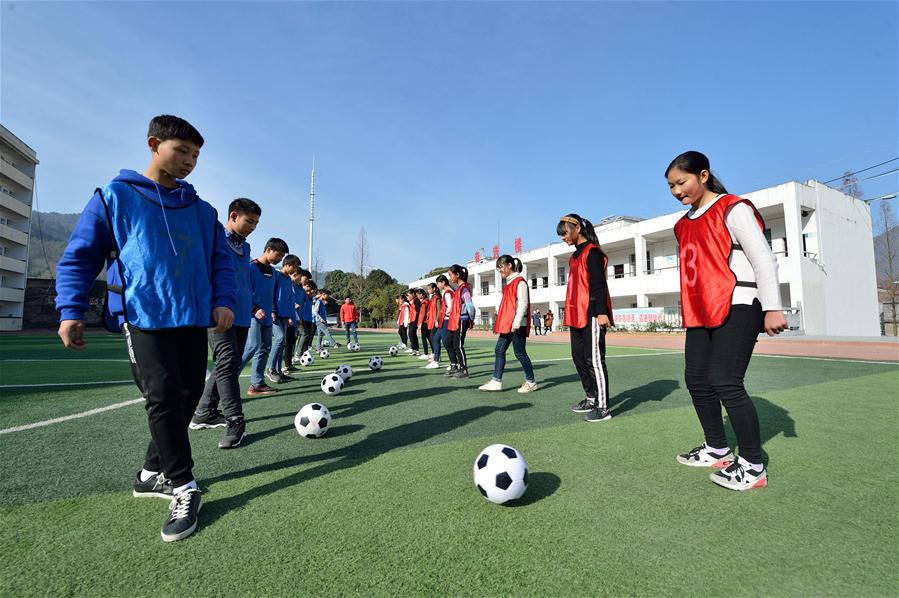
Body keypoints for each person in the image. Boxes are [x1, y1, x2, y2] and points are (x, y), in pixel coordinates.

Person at [55, 115, 236, 542]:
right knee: (163, 396)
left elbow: (220, 262)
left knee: (188, 396)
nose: (190, 161)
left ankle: (149, 473)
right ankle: (184, 485)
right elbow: (82, 255)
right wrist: (70, 309)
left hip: (192, 317)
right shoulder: (116, 195)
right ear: (154, 144)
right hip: (143, 316)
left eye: (196, 155)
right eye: (181, 151)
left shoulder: (202, 210)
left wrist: (223, 301)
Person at [666, 150, 786, 491]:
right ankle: (717, 447)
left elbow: (763, 258)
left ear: (703, 175)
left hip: (740, 304)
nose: (677, 191)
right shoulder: (681, 225)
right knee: (696, 379)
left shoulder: (734, 208)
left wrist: (772, 307)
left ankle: (752, 466)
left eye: (681, 182)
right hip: (700, 311)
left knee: (725, 380)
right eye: (671, 186)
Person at [190, 197, 261, 451]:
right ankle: (236, 421)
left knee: (227, 364)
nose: (252, 227)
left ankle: (204, 413)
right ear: (233, 216)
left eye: (256, 223)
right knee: (228, 363)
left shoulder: (247, 247)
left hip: (242, 315)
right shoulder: (214, 236)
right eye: (248, 221)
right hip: (219, 313)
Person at [558, 213, 615, 423]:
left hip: (592, 313)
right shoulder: (574, 256)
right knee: (579, 358)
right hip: (576, 314)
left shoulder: (593, 253)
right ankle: (591, 397)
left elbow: (599, 285)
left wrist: (602, 313)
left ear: (577, 229)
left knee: (595, 361)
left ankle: (603, 407)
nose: (563, 237)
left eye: (564, 233)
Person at [479, 255, 538, 393]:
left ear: (509, 265)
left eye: (501, 268)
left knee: (520, 353)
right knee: (499, 350)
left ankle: (531, 382)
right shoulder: (509, 283)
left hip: (517, 325)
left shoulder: (520, 282)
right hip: (507, 324)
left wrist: (516, 322)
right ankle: (496, 381)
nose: (500, 271)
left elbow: (523, 303)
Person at [240, 238, 288, 395]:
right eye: (278, 255)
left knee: (264, 348)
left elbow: (273, 294)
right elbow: (244, 290)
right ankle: (225, 380)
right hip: (253, 315)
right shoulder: (251, 268)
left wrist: (273, 310)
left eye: (282, 257)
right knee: (252, 346)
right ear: (268, 249)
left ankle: (257, 384)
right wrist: (254, 309)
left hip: (267, 317)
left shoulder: (274, 272)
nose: (280, 259)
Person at [266, 254, 300, 384]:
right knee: (279, 338)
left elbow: (290, 300)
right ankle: (270, 369)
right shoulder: (276, 275)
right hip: (275, 313)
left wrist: (291, 317)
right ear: (288, 265)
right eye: (295, 267)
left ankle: (279, 371)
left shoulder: (288, 280)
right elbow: (271, 293)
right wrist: (273, 310)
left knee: (282, 343)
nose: (295, 270)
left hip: (286, 315)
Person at [445, 264, 475, 379]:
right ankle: (454, 365)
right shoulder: (458, 289)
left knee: (458, 345)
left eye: (450, 275)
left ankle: (464, 369)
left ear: (457, 275)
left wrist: (470, 319)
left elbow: (470, 306)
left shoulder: (464, 289)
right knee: (448, 342)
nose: (450, 278)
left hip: (461, 320)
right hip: (454, 320)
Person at [424, 281, 446, 370]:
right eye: (427, 288)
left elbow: (439, 310)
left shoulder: (437, 298)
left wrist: (437, 320)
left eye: (429, 288)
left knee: (434, 338)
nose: (428, 290)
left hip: (435, 321)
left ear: (434, 289)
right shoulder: (432, 297)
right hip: (431, 320)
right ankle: (436, 355)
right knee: (433, 337)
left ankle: (437, 356)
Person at [415, 288, 432, 360]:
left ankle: (426, 353)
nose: (417, 296)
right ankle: (433, 352)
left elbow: (422, 314)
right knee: (429, 338)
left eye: (418, 295)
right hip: (427, 322)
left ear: (422, 294)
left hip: (425, 322)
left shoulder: (424, 302)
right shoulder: (427, 301)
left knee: (424, 338)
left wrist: (420, 324)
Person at [404, 289, 421, 355]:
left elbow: (418, 310)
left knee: (412, 333)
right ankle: (414, 349)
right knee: (411, 334)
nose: (407, 297)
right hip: (412, 320)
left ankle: (416, 349)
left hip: (415, 320)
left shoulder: (416, 300)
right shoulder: (412, 301)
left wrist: (417, 320)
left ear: (413, 294)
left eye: (408, 295)